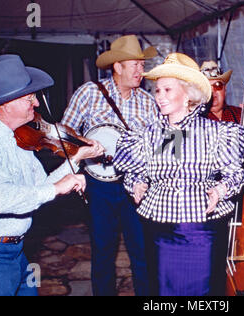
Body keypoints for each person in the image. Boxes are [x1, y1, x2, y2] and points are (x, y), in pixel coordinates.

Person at [0, 54, 103, 296]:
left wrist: (77, 158)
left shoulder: (19, 137)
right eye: (30, 98)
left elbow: (41, 186)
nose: (36, 104)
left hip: (16, 250)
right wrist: (58, 188)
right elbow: (1, 200)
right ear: (6, 103)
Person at [113, 53, 244, 296]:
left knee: (203, 292)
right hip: (160, 228)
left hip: (201, 228)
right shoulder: (151, 134)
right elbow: (138, 171)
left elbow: (235, 175)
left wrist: (220, 190)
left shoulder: (216, 133)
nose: (160, 97)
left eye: (167, 90)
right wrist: (137, 183)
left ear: (188, 94)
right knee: (163, 291)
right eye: (157, 91)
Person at [61, 35, 158, 296]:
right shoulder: (89, 93)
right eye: (135, 64)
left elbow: (159, 145)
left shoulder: (148, 102)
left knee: (141, 251)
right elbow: (64, 132)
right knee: (103, 250)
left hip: (135, 186)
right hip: (98, 186)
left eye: (142, 64)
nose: (141, 70)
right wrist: (85, 143)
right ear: (117, 66)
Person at [200, 61, 244, 155]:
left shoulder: (240, 115)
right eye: (207, 88)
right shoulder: (193, 119)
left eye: (218, 86)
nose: (213, 93)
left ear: (225, 90)